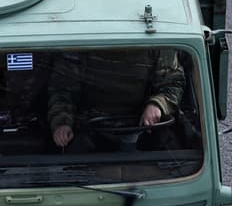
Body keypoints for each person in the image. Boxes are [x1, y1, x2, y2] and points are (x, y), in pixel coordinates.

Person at [47, 48, 185, 150]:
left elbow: (173, 83)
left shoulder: (156, 41)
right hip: (89, 126)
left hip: (142, 126)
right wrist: (62, 123)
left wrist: (158, 105)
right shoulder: (80, 41)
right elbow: (63, 89)